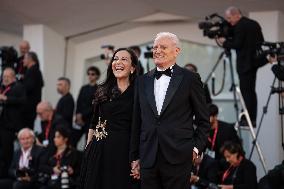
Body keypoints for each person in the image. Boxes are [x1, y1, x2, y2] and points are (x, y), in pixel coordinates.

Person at [130, 32, 210, 189]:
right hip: (148, 158)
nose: (157, 50)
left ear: (176, 51)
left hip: (179, 156)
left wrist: (195, 149)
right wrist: (135, 157)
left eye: (163, 47)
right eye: (155, 47)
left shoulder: (190, 78)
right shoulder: (141, 81)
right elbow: (137, 121)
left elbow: (203, 120)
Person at [79, 48, 139, 189]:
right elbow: (93, 123)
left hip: (123, 153)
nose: (118, 62)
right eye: (115, 58)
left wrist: (138, 157)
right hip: (98, 150)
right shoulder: (102, 90)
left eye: (124, 59)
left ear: (133, 68)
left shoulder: (139, 92)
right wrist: (88, 149)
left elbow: (141, 127)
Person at [217, 7, 267, 126]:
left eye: (229, 18)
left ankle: (246, 119)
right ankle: (252, 118)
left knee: (246, 92)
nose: (229, 21)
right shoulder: (254, 24)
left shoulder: (240, 26)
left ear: (236, 15)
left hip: (244, 64)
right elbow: (261, 42)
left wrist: (224, 42)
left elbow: (237, 44)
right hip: (254, 62)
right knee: (250, 91)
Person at [0, 68, 26, 177]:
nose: (5, 78)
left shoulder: (19, 87)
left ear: (13, 77)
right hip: (2, 124)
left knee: (6, 152)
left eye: (7, 76)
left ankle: (5, 175)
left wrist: (6, 98)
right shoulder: (2, 87)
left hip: (10, 126)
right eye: (4, 76)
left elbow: (23, 101)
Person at [73, 66, 100, 146]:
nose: (90, 76)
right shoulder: (83, 88)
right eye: (88, 74)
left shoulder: (99, 89)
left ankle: (85, 159)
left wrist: (82, 115)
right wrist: (77, 115)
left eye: (92, 74)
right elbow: (78, 102)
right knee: (73, 140)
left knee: (88, 143)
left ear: (97, 76)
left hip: (90, 120)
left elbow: (95, 105)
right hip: (79, 119)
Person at [22, 52, 44, 129]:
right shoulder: (35, 70)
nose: (23, 61)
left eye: (24, 58)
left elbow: (28, 87)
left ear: (30, 59)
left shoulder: (33, 71)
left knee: (26, 130)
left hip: (29, 108)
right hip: (31, 107)